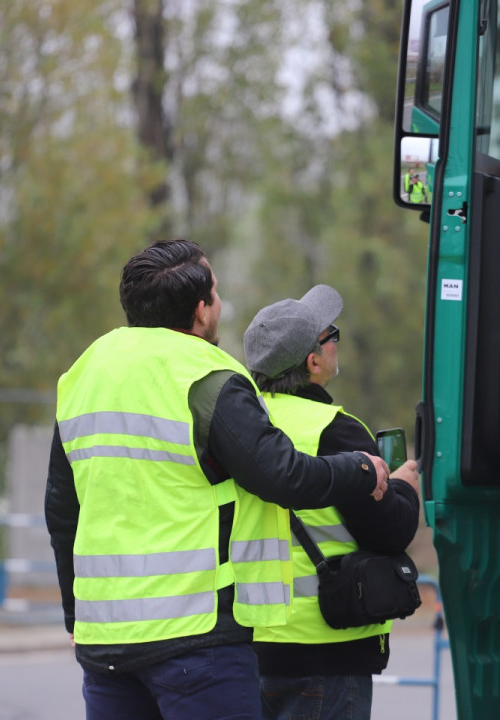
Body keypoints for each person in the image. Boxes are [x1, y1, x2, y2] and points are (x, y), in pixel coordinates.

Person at [45, 239, 390, 720]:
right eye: (217, 291)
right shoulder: (207, 376)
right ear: (202, 310)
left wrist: (74, 614)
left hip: (105, 641)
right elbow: (280, 473)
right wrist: (358, 469)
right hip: (194, 641)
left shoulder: (85, 372)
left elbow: (62, 512)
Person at [243, 285, 421, 720]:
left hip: (249, 647)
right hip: (326, 648)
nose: (337, 342)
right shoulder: (334, 429)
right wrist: (404, 487)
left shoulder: (240, 424)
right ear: (313, 361)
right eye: (331, 334)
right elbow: (389, 528)